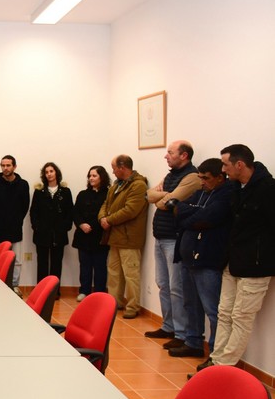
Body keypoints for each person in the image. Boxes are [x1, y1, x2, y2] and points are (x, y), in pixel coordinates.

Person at [200, 144, 275, 374]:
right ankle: (216, 361)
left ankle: (223, 368)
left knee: (241, 318)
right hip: (232, 262)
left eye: (225, 165)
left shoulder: (268, 189)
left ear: (240, 164)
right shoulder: (234, 187)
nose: (222, 170)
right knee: (224, 313)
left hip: (256, 266)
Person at [169, 158, 231, 360]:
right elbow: (179, 209)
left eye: (206, 178)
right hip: (188, 258)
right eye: (200, 177)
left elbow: (207, 217)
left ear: (220, 178)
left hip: (207, 260)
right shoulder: (201, 192)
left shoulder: (226, 194)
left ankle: (215, 353)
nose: (202, 182)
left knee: (212, 310)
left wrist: (191, 216)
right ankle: (193, 342)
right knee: (191, 304)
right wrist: (193, 214)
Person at [145, 141, 201, 349]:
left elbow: (168, 203)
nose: (166, 156)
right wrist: (163, 195)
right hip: (160, 237)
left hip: (174, 238)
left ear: (184, 155)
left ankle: (181, 332)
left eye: (170, 152)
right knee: (163, 283)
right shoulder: (171, 176)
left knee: (176, 287)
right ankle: (168, 326)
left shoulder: (192, 176)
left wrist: (162, 196)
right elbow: (149, 195)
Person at [99, 155, 149, 319]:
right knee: (113, 273)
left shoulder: (138, 185)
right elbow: (106, 204)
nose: (113, 172)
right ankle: (115, 302)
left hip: (129, 238)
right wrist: (102, 218)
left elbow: (130, 210)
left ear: (122, 168)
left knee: (131, 274)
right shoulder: (116, 185)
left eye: (114, 168)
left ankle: (133, 306)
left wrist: (109, 220)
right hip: (115, 237)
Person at [0, 155, 30, 292]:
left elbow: (25, 206)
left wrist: (17, 219)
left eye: (8, 165)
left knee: (16, 260)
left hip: (15, 228)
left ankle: (14, 285)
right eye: (3, 165)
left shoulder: (23, 184)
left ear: (14, 167)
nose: (5, 168)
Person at [29, 162, 73, 286]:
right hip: (42, 233)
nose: (49, 174)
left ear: (56, 173)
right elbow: (33, 212)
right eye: (46, 172)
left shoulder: (65, 191)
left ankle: (54, 290)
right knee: (42, 263)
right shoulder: (39, 192)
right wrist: (36, 226)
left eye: (51, 171)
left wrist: (65, 227)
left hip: (59, 234)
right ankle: (41, 290)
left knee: (56, 263)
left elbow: (70, 211)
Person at [71, 165, 111, 302]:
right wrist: (81, 224)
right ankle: (84, 291)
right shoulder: (83, 194)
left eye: (94, 176)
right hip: (83, 236)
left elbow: (106, 214)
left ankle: (99, 293)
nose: (91, 178)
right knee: (85, 266)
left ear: (102, 177)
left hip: (100, 236)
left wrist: (92, 226)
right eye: (90, 176)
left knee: (100, 266)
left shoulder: (108, 194)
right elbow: (75, 212)